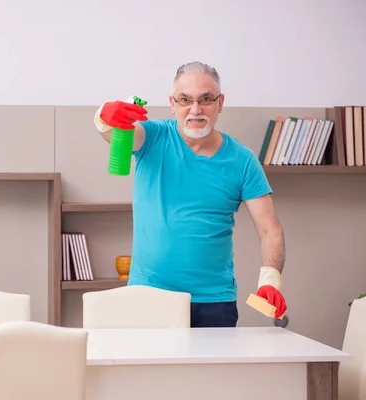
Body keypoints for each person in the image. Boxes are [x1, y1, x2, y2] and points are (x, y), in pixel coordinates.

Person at [93, 61, 287, 328]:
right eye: (185, 100)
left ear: (220, 103)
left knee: (210, 372)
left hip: (213, 302)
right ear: (173, 104)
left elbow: (269, 229)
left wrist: (270, 279)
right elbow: (113, 133)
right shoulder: (153, 137)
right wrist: (104, 115)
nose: (195, 110)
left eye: (205, 99)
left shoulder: (242, 160)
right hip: (148, 296)